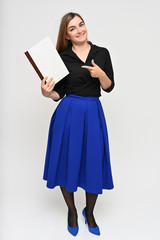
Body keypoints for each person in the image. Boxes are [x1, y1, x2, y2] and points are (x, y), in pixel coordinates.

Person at [41, 12, 115, 236]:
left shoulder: (101, 53)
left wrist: (101, 74)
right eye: (73, 28)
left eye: (81, 25)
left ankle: (89, 213)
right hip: (68, 113)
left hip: (93, 112)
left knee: (93, 162)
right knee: (67, 161)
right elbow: (59, 92)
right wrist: (47, 93)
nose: (79, 30)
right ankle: (72, 211)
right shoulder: (61, 57)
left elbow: (109, 87)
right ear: (67, 34)